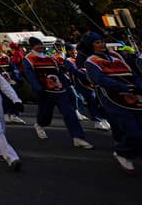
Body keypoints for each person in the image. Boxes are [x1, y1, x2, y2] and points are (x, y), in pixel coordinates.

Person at [80, 32, 142, 174]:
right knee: (134, 132)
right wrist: (123, 87)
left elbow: (133, 73)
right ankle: (122, 152)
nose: (102, 44)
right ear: (91, 46)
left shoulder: (117, 56)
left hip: (133, 97)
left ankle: (129, 148)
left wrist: (138, 85)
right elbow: (101, 80)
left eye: (102, 41)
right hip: (113, 99)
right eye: (97, 42)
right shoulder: (91, 61)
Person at [21, 36, 92, 148]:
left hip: (60, 90)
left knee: (70, 113)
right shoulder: (28, 59)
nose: (40, 46)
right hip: (45, 91)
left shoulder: (51, 58)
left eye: (41, 44)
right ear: (32, 46)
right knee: (46, 115)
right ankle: (40, 124)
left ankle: (78, 138)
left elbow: (63, 71)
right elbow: (30, 76)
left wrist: (71, 84)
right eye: (37, 45)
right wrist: (39, 89)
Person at [0, 40, 25, 124]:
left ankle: (14, 115)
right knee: (3, 98)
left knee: (13, 96)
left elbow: (14, 68)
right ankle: (5, 114)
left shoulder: (5, 56)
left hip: (9, 80)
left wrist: (17, 78)